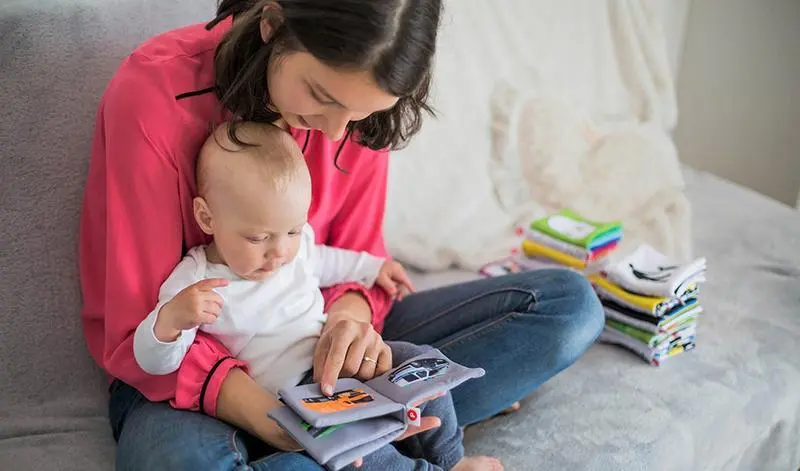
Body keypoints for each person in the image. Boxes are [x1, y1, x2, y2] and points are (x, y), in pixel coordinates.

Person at [79, 1, 605, 470]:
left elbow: (355, 258)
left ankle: (366, 431)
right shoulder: (152, 97)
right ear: (271, 22)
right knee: (179, 460)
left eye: (363, 112)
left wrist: (348, 331)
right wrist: (276, 419)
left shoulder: (355, 111)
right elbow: (138, 328)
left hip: (314, 343)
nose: (335, 133)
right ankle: (358, 438)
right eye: (320, 96)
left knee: (569, 307)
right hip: (183, 376)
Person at [131, 121, 502, 470]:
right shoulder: (197, 279)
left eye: (292, 231)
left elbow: (325, 260)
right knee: (358, 449)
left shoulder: (293, 245)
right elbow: (154, 361)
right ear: (207, 218)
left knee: (424, 364)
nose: (279, 253)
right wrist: (171, 322)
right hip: (296, 396)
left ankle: (452, 457)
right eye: (258, 238)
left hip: (341, 360)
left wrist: (372, 268)